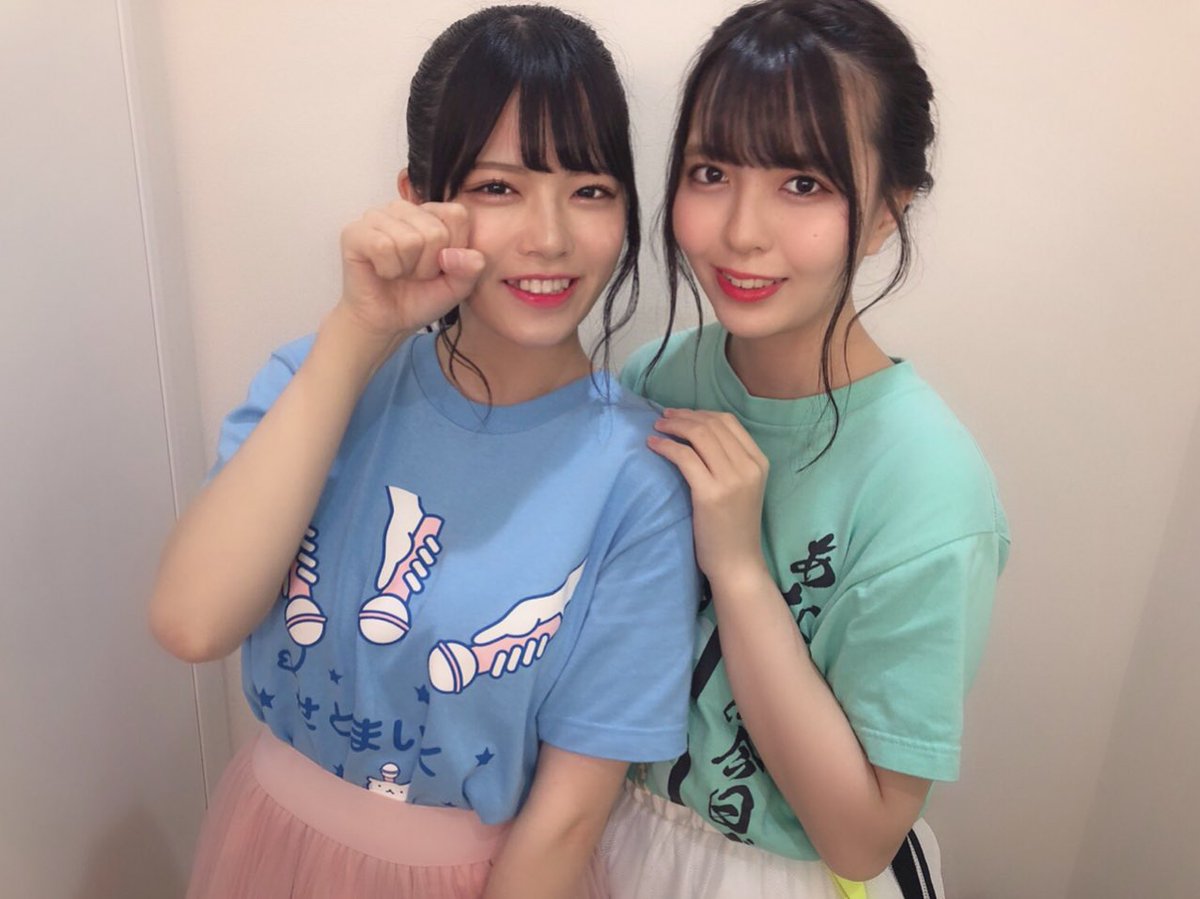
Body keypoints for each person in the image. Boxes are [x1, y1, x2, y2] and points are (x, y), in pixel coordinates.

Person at [150, 7, 698, 898]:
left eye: (591, 189)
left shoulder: (638, 477)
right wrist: (356, 331)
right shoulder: (320, 377)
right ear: (419, 200)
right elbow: (192, 622)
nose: (550, 237)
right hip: (264, 843)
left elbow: (568, 819)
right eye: (498, 187)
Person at [600, 2, 1010, 897]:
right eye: (712, 171)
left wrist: (740, 568)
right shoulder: (656, 378)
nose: (742, 230)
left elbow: (860, 837)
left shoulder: (929, 487)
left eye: (803, 183)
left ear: (886, 213)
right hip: (615, 837)